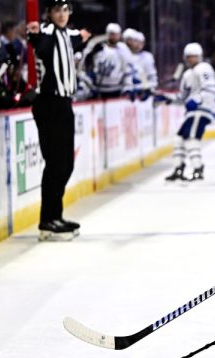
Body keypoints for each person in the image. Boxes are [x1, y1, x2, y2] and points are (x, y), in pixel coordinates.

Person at [26, 0, 91, 240]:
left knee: (66, 164)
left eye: (65, 10)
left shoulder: (68, 34)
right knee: (55, 163)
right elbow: (39, 42)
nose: (62, 15)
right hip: (49, 103)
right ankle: (47, 220)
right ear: (49, 13)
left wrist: (83, 37)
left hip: (64, 104)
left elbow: (78, 36)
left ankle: (56, 215)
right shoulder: (45, 33)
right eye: (57, 11)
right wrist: (33, 34)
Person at [156, 42, 215, 182]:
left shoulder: (204, 68)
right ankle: (179, 168)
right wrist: (167, 99)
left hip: (201, 110)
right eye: (188, 57)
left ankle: (198, 168)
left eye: (193, 56)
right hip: (193, 112)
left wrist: (197, 100)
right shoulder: (187, 74)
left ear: (199, 57)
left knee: (191, 139)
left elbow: (209, 89)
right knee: (179, 139)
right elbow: (183, 97)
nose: (190, 59)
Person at [82, 23, 135, 99]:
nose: (114, 37)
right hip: (98, 89)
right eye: (112, 34)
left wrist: (128, 88)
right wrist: (89, 85)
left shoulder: (123, 50)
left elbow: (128, 70)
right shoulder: (98, 48)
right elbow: (87, 67)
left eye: (116, 34)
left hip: (116, 89)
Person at [123, 29, 157, 101]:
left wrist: (144, 88)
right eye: (135, 41)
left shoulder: (147, 57)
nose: (138, 44)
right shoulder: (124, 55)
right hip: (124, 95)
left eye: (141, 42)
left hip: (141, 96)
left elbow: (152, 80)